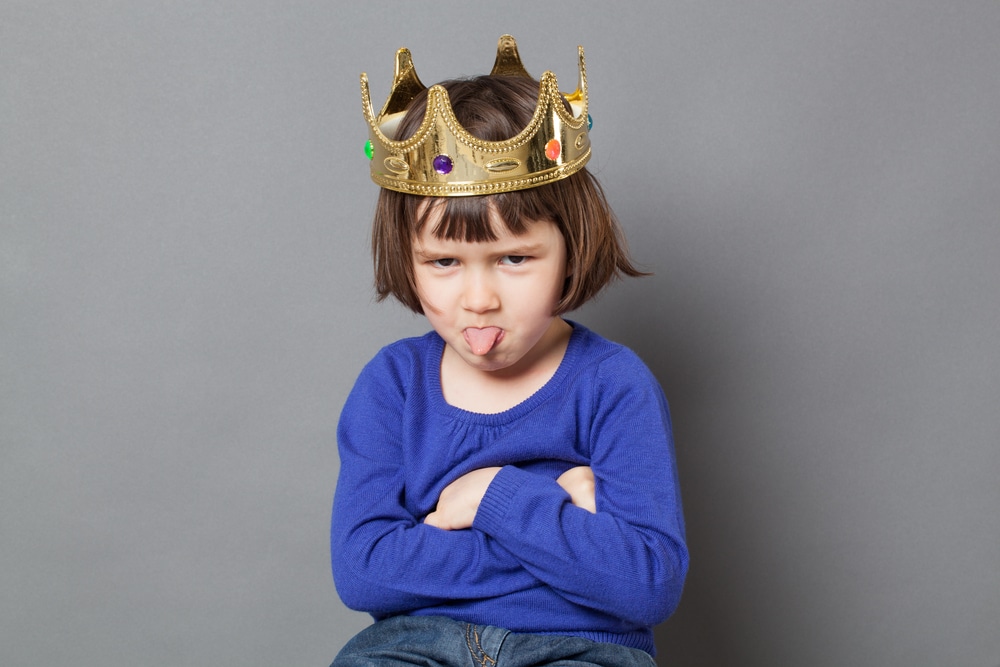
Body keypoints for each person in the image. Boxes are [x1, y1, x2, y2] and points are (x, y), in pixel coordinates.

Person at [331, 35, 688, 666]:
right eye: (443, 261)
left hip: (580, 648)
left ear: (571, 247)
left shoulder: (612, 384)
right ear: (407, 262)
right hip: (415, 648)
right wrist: (559, 515)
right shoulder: (392, 384)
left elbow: (647, 583)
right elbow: (365, 572)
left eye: (513, 259)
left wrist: (490, 497)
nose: (478, 298)